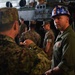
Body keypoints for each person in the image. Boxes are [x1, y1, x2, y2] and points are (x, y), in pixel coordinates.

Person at [0, 7, 51, 75]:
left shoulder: (23, 37)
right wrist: (32, 45)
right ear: (15, 25)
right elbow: (46, 63)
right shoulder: (20, 55)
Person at [44, 5, 75, 75]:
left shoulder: (69, 36)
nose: (55, 21)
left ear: (67, 19)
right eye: (54, 19)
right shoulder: (61, 34)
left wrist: (50, 72)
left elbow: (66, 64)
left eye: (58, 18)